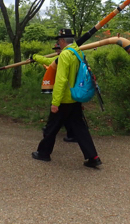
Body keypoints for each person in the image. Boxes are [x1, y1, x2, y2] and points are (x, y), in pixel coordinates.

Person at [32, 28, 101, 168]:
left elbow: (61, 80)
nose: (59, 43)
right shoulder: (78, 52)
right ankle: (93, 157)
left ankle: (43, 153)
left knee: (52, 127)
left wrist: (55, 102)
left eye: (59, 41)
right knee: (80, 128)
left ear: (63, 41)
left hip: (64, 99)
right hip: (76, 97)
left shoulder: (64, 55)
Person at [31, 43, 77, 143]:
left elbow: (47, 60)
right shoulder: (73, 56)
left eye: (58, 49)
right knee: (70, 117)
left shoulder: (62, 57)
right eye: (56, 49)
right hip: (74, 93)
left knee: (60, 116)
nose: (56, 51)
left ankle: (49, 134)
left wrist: (34, 56)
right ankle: (71, 134)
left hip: (64, 94)